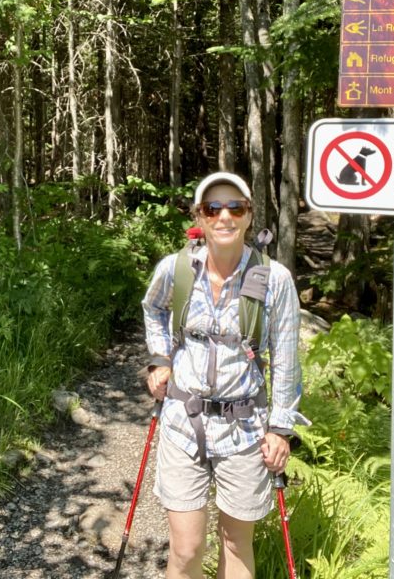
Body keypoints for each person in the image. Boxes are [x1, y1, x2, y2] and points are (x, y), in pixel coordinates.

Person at [143, 172, 308, 579]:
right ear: (200, 215)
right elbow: (155, 309)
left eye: (235, 207)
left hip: (246, 429)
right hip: (183, 423)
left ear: (249, 216)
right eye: (213, 208)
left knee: (236, 545)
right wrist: (160, 359)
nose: (224, 216)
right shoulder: (176, 269)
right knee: (186, 548)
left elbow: (286, 355)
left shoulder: (275, 279)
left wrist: (280, 429)